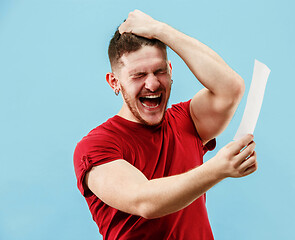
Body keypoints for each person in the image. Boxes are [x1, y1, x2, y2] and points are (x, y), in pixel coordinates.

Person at [73, 10, 257, 240]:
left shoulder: (186, 121)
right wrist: (217, 169)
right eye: (138, 75)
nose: (152, 84)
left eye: (159, 71)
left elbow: (231, 88)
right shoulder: (95, 147)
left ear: (170, 71)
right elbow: (144, 201)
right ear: (114, 82)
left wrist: (160, 30)